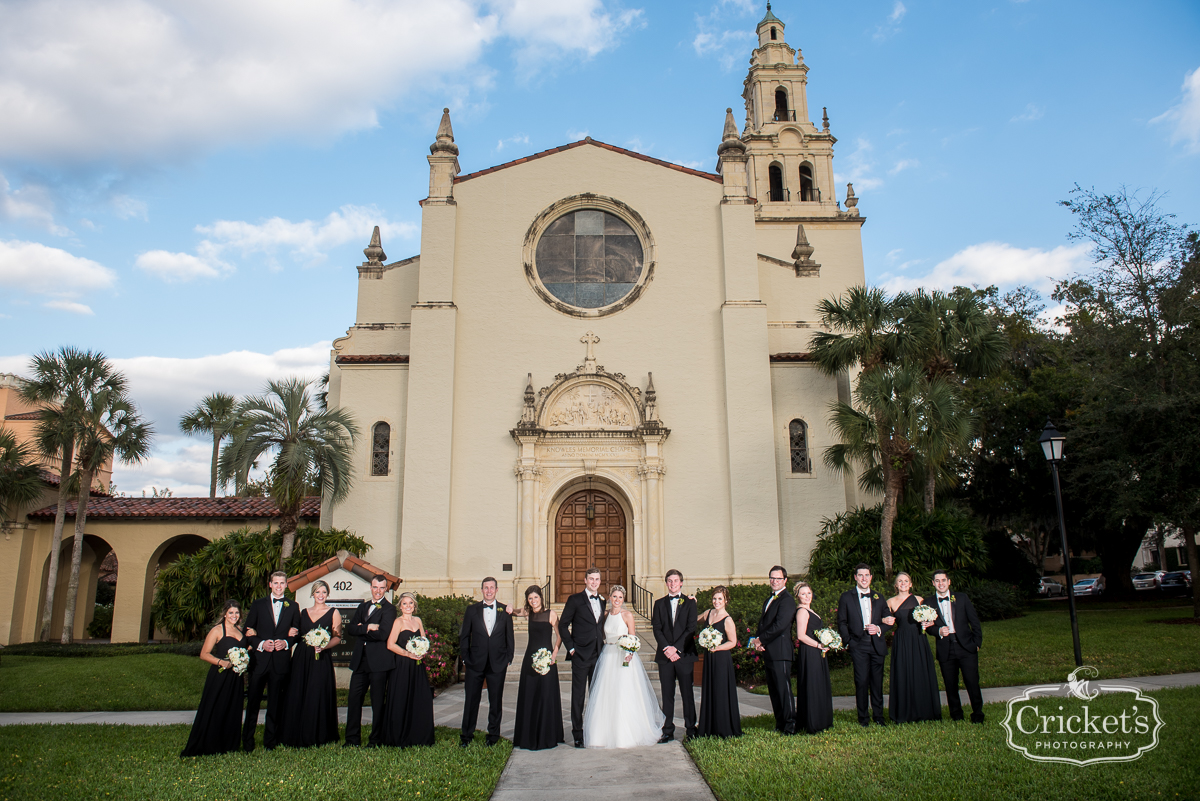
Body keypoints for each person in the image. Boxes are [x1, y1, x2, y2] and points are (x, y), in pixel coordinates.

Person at [582, 585, 665, 748]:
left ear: (623, 599)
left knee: (623, 692)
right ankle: (602, 734)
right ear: (610, 597)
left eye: (620, 597)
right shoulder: (605, 615)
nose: (617, 600)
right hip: (608, 655)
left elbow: (632, 637)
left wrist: (630, 652)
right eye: (614, 597)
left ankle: (625, 734)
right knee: (607, 693)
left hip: (623, 656)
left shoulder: (627, 615)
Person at [242, 571, 300, 751]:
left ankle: (270, 742)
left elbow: (297, 633)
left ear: (286, 585)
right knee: (253, 703)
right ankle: (248, 743)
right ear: (270, 584)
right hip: (259, 662)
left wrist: (286, 642)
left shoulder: (293, 606)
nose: (278, 586)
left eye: (282, 583)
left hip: (280, 662)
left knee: (275, 704)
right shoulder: (258, 604)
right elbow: (248, 630)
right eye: (275, 583)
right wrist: (260, 644)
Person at [280, 579, 342, 747]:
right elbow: (298, 633)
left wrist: (324, 646)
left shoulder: (333, 612)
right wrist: (290, 632)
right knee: (299, 691)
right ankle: (295, 731)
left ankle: (318, 733)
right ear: (312, 594)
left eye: (323, 592)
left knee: (317, 692)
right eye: (317, 592)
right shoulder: (303, 612)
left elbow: (337, 637)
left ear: (327, 594)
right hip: (302, 657)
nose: (320, 595)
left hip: (321, 658)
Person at [181, 600, 247, 757]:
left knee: (232, 708)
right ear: (224, 614)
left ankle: (229, 744)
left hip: (236, 677)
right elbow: (204, 654)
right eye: (231, 612)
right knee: (216, 707)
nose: (234, 615)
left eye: (237, 613)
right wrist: (221, 662)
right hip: (220, 675)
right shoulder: (217, 631)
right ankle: (210, 744)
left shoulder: (241, 631)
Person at [458, 576, 515, 747]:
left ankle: (493, 736)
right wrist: (466, 658)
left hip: (498, 663)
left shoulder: (505, 611)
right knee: (471, 701)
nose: (489, 591)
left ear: (497, 590)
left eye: (492, 588)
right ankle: (466, 736)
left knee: (495, 701)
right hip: (475, 663)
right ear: (481, 590)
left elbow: (509, 637)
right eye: (486, 588)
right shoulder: (472, 610)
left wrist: (508, 658)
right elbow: (464, 636)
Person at [343, 574, 397, 748]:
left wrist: (361, 629)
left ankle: (375, 740)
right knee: (353, 699)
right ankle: (352, 740)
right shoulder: (363, 606)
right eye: (375, 587)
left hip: (379, 662)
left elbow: (383, 634)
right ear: (371, 587)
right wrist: (367, 627)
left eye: (381, 588)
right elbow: (350, 629)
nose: (378, 591)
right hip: (360, 661)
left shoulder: (389, 609)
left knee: (377, 702)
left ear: (386, 589)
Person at [883, 572, 942, 724]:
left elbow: (933, 619)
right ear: (896, 585)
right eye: (900, 581)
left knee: (920, 671)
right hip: (901, 641)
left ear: (911, 584)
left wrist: (930, 623)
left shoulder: (920, 600)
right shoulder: (890, 602)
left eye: (906, 581)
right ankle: (904, 712)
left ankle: (924, 711)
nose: (903, 583)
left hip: (918, 640)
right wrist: (884, 619)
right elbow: (883, 621)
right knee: (903, 672)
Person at [836, 563, 890, 728]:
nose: (864, 578)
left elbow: (888, 619)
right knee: (861, 682)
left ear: (871, 577)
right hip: (858, 645)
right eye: (860, 575)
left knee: (877, 682)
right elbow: (842, 622)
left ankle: (879, 717)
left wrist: (879, 627)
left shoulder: (879, 597)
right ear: (855, 577)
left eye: (867, 575)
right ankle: (863, 718)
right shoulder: (846, 597)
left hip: (876, 645)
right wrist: (849, 642)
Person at [928, 569, 985, 723]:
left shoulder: (961, 598)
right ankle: (956, 715)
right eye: (937, 581)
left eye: (943, 580)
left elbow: (975, 622)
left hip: (966, 647)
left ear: (949, 582)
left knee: (972, 681)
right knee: (950, 684)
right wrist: (937, 630)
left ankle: (978, 714)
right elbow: (927, 626)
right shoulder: (929, 602)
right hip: (945, 648)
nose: (941, 583)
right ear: (933, 583)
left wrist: (976, 644)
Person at [511, 585, 565, 750]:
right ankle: (528, 735)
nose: (533, 601)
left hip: (547, 660)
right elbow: (514, 611)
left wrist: (554, 654)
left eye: (536, 597)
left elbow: (560, 634)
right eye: (530, 598)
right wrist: (508, 609)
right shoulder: (528, 613)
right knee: (530, 695)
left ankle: (547, 735)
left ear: (541, 598)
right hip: (530, 660)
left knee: (546, 695)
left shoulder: (551, 614)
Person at [558, 566, 606, 748]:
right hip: (580, 655)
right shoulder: (574, 600)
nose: (594, 582)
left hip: (598, 655)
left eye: (597, 579)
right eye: (591, 579)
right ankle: (578, 734)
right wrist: (571, 649)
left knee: (596, 696)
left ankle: (594, 731)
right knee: (578, 696)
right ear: (585, 580)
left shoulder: (602, 601)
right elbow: (563, 626)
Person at [380, 592, 436, 747]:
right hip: (402, 666)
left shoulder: (418, 621)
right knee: (402, 698)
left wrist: (422, 651)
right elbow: (390, 644)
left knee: (419, 698)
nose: (408, 606)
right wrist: (408, 654)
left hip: (417, 666)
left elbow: (424, 640)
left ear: (414, 605)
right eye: (405, 603)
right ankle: (400, 736)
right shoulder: (398, 622)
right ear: (400, 606)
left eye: (410, 603)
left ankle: (418, 735)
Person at [749, 565, 797, 734]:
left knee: (783, 690)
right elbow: (763, 623)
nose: (774, 581)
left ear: (785, 580)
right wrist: (758, 642)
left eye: (778, 578)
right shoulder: (770, 599)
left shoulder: (787, 600)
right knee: (774, 690)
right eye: (772, 578)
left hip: (781, 652)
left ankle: (790, 725)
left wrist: (761, 639)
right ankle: (780, 723)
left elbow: (780, 625)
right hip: (769, 650)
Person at [653, 569, 698, 743]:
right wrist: (666, 648)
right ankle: (668, 729)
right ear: (666, 583)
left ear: (681, 583)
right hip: (665, 657)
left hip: (684, 655)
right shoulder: (658, 604)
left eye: (675, 581)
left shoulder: (690, 603)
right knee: (667, 694)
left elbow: (691, 628)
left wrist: (676, 649)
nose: (672, 584)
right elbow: (656, 628)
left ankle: (691, 728)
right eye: (669, 581)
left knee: (687, 693)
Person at [695, 585, 741, 739]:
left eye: (720, 599)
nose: (716, 601)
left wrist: (717, 647)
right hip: (709, 658)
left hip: (721, 659)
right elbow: (694, 619)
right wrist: (691, 604)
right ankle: (709, 727)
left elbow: (733, 642)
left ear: (726, 600)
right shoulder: (708, 613)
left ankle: (723, 728)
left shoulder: (728, 619)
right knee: (709, 689)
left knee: (720, 691)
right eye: (714, 598)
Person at [793, 582, 833, 735]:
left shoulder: (809, 609)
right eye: (803, 594)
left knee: (817, 684)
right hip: (810, 652)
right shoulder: (802, 611)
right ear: (797, 596)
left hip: (816, 650)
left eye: (809, 593)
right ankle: (813, 721)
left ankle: (820, 719)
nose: (807, 596)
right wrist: (818, 645)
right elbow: (801, 635)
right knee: (812, 684)